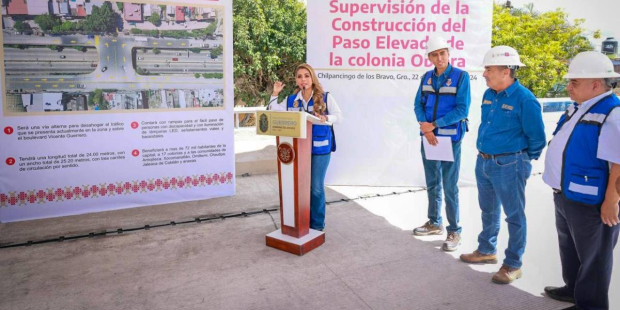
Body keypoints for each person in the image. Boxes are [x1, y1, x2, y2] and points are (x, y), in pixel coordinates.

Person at [459, 46, 546, 285]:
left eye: (489, 69)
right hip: (484, 161)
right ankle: (487, 250)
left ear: (506, 71)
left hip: (510, 164)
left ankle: (513, 264)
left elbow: (537, 139)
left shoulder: (525, 99)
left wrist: (521, 161)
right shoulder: (490, 94)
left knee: (514, 215)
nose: (484, 74)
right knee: (488, 210)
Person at [542, 51, 620, 310]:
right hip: (567, 195)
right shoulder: (578, 108)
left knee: (594, 258)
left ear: (595, 85)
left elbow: (619, 163)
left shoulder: (612, 113)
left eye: (574, 82)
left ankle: (591, 305)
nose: (568, 87)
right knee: (571, 249)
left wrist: (612, 201)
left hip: (592, 202)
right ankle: (572, 289)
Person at [412, 37, 471, 252]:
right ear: (428, 57)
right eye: (434, 54)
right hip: (428, 138)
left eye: (442, 53)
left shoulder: (461, 77)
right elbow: (418, 104)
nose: (439, 58)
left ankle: (454, 230)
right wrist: (424, 126)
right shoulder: (426, 77)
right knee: (432, 182)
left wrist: (433, 125)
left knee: (450, 186)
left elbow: (462, 110)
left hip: (449, 138)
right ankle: (434, 222)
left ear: (448, 54)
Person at [268, 63, 343, 231]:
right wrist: (275, 93)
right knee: (301, 188)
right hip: (298, 150)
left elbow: (339, 117)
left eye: (306, 76)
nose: (303, 79)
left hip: (320, 149)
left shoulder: (325, 97)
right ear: (296, 80)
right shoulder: (291, 100)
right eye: (300, 76)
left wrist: (326, 118)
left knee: (315, 188)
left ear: (312, 78)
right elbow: (273, 111)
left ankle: (317, 225)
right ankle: (302, 222)